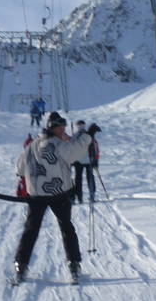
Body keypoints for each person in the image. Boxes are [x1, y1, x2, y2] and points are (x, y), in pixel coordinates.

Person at [13, 111, 96, 283]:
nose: (64, 130)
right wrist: (88, 136)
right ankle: (74, 264)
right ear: (54, 128)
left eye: (65, 126)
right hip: (58, 193)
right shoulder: (58, 145)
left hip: (36, 194)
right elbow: (76, 153)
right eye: (61, 127)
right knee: (67, 227)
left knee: (31, 230)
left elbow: (19, 169)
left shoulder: (33, 145)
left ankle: (21, 265)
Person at [72, 120, 102, 203]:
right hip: (89, 160)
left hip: (78, 160)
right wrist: (96, 159)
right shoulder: (89, 134)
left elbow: (71, 148)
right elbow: (95, 148)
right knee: (90, 178)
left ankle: (79, 197)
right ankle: (92, 196)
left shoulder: (75, 136)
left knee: (78, 179)